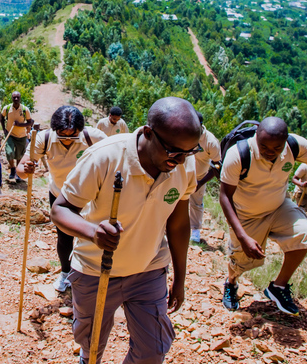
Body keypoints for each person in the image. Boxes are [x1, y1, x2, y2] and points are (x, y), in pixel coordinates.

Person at [52, 97, 201, 364]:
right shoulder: (105, 156)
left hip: (148, 270)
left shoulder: (183, 164)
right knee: (92, 344)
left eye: (189, 152)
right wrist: (93, 232)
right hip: (96, 270)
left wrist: (180, 277)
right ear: (147, 133)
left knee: (153, 350)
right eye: (174, 151)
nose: (180, 160)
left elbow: (178, 224)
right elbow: (60, 210)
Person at [219, 116, 307, 315]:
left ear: (285, 141)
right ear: (256, 137)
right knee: (242, 261)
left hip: (279, 207)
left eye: (276, 148)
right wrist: (243, 237)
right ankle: (231, 282)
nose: (270, 152)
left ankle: (278, 288)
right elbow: (225, 197)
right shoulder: (238, 154)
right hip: (246, 215)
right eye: (264, 147)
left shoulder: (294, 146)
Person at [16, 106, 106, 292]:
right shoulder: (44, 139)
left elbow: (114, 156)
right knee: (64, 237)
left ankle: (92, 274)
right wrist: (26, 170)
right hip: (60, 195)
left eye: (72, 135)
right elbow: (21, 170)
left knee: (92, 236)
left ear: (80, 130)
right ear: (54, 129)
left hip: (90, 198)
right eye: (62, 134)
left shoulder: (93, 137)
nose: (67, 139)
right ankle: (66, 273)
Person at [189, 112, 222, 243]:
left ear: (200, 125)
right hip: (182, 175)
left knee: (196, 203)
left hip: (199, 176)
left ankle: (195, 230)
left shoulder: (211, 142)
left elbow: (217, 167)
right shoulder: (186, 133)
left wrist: (200, 182)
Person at [2, 91, 33, 182]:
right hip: (10, 134)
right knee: (9, 152)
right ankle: (12, 169)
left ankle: (18, 174)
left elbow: (30, 122)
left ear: (20, 98)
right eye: (14, 97)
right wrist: (4, 129)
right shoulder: (7, 108)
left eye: (17, 97)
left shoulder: (24, 109)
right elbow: (1, 117)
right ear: (11, 98)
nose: (16, 99)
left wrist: (20, 125)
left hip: (21, 136)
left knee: (19, 156)